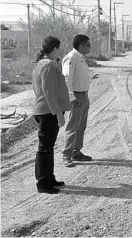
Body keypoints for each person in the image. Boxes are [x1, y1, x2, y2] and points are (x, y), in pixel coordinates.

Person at [32, 36, 71, 194]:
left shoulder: (42, 64)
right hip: (48, 112)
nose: (59, 51)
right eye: (58, 49)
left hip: (45, 110)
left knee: (48, 147)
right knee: (45, 148)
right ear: (54, 49)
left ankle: (49, 178)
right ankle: (43, 183)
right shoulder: (48, 66)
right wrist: (58, 114)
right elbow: (49, 92)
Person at [62, 34, 98, 167]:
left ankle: (76, 152)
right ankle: (67, 155)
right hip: (76, 97)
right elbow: (67, 78)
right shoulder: (71, 58)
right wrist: (72, 98)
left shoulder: (81, 58)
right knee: (72, 126)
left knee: (81, 126)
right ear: (81, 45)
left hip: (84, 95)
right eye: (88, 45)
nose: (90, 47)